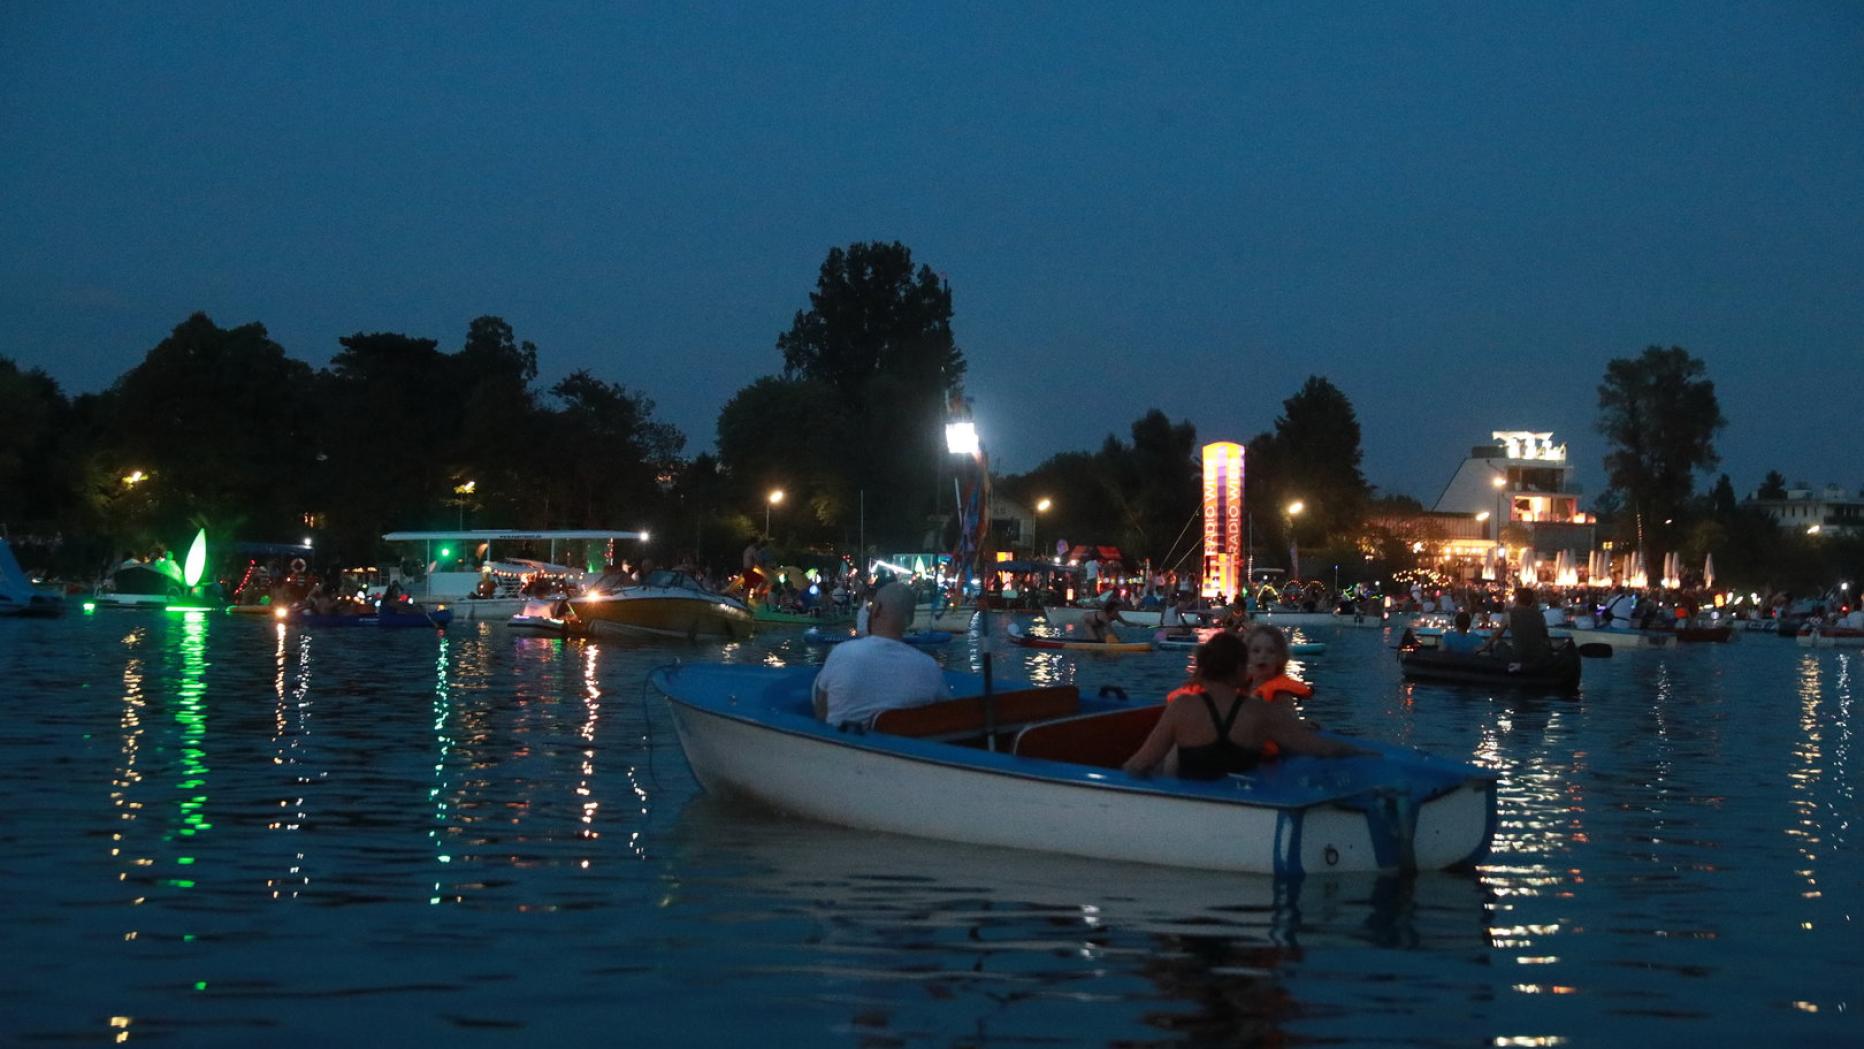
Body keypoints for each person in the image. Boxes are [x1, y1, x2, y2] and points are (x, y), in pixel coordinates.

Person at [1122, 628, 1368, 780]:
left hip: (1188, 796)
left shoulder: (1181, 707)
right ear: (1240, 668)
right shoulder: (1261, 713)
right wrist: (1365, 754)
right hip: (1241, 800)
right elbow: (1321, 748)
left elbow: (1139, 763)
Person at [813, 582, 948, 727]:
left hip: (839, 745)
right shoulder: (930, 667)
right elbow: (946, 714)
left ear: (876, 609)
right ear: (911, 620)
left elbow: (821, 711)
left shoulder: (841, 653)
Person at [1484, 586, 1552, 662]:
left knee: (1498, 644)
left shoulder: (1509, 615)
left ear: (1517, 600)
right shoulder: (1539, 615)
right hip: (1537, 657)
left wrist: (1483, 647)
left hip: (1519, 657)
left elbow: (1496, 635)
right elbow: (1545, 636)